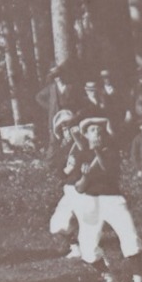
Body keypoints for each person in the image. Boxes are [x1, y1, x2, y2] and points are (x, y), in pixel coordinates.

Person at [73, 117, 142, 282]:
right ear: (85, 134)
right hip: (90, 200)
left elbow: (108, 170)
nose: (97, 132)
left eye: (99, 130)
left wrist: (97, 153)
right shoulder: (81, 154)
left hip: (113, 199)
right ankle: (108, 276)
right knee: (87, 248)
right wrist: (85, 177)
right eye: (92, 130)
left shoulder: (111, 151)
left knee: (130, 237)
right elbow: (79, 187)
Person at [47, 110, 86, 259]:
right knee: (58, 223)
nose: (66, 130)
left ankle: (95, 253)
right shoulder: (61, 149)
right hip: (69, 188)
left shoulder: (81, 143)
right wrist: (65, 170)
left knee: (87, 221)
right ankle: (75, 247)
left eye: (69, 126)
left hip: (84, 187)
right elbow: (59, 171)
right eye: (62, 127)